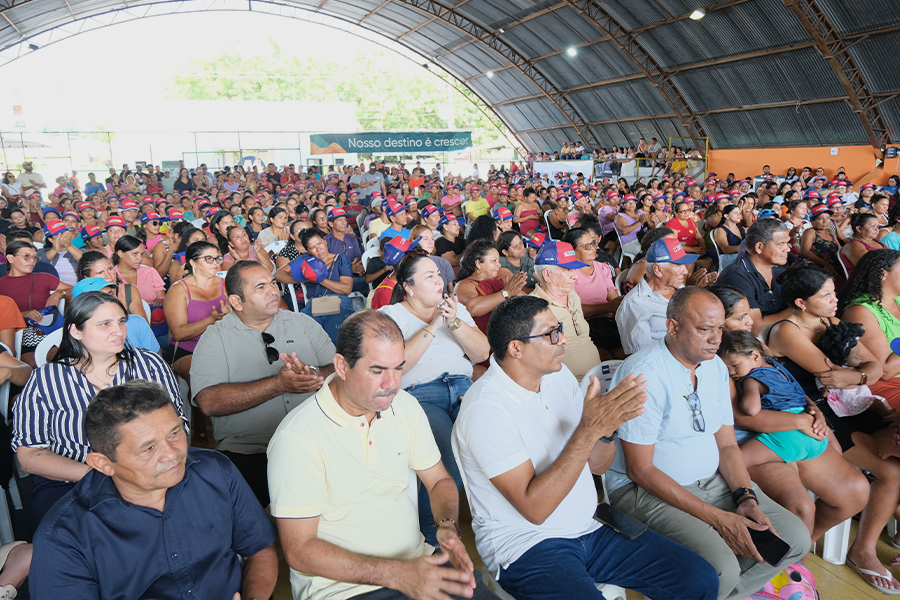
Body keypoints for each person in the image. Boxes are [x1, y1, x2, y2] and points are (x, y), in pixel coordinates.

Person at [454, 295, 719, 600]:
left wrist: (606, 430)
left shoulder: (558, 376)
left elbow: (597, 465)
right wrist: (589, 429)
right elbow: (535, 510)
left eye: (560, 328)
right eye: (551, 333)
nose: (563, 339)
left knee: (699, 579)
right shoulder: (486, 409)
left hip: (589, 526)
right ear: (516, 348)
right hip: (527, 544)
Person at [268, 311, 496, 600]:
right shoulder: (297, 437)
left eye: (399, 368)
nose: (392, 383)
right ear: (341, 366)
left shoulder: (405, 406)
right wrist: (399, 575)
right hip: (345, 589)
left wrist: (447, 526)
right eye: (377, 370)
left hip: (417, 564)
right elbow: (299, 551)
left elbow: (438, 480)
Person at [606, 287, 810, 600]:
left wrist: (746, 498)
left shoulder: (714, 366)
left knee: (795, 538)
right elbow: (640, 470)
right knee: (720, 569)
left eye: (719, 328)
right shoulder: (643, 375)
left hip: (710, 481)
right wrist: (719, 519)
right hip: (643, 491)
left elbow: (727, 445)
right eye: (704, 330)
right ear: (672, 327)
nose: (716, 339)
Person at [30, 380, 278, 600]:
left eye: (175, 433)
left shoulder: (215, 470)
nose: (172, 453)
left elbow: (258, 549)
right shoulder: (64, 537)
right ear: (103, 464)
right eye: (148, 448)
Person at [766, 263, 900, 592]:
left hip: (849, 401)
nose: (834, 299)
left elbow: (873, 367)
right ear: (800, 303)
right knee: (892, 471)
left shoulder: (830, 321)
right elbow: (830, 376)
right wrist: (858, 373)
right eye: (826, 295)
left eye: (833, 292)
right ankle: (862, 549)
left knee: (896, 451)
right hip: (819, 410)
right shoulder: (787, 331)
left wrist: (857, 374)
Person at [12, 291, 184, 534]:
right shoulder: (47, 379)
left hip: (151, 472)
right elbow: (29, 454)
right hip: (72, 481)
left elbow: (178, 423)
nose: (119, 331)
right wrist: (98, 474)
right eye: (105, 324)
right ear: (75, 331)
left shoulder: (148, 364)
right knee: (72, 539)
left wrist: (141, 469)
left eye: (121, 321)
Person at [191, 260, 335, 507]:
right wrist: (278, 385)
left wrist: (313, 373)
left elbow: (340, 370)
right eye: (260, 287)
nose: (273, 291)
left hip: (318, 440)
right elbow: (209, 401)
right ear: (236, 302)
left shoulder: (302, 323)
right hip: (250, 451)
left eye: (273, 283)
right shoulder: (215, 338)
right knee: (244, 524)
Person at [379, 253, 489, 545]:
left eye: (439, 275)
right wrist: (434, 326)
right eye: (429, 276)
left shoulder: (456, 310)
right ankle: (436, 542)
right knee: (445, 459)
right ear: (409, 286)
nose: (439, 280)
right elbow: (397, 366)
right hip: (421, 395)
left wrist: (454, 322)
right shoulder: (392, 316)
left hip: (465, 388)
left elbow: (481, 353)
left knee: (493, 442)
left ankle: (502, 526)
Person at [718, 329, 828, 467]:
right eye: (726, 369)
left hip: (789, 435)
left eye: (735, 365)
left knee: (734, 462)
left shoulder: (751, 380)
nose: (731, 372)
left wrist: (742, 390)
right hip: (817, 436)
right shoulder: (777, 366)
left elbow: (751, 409)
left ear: (755, 356)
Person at [528, 241, 601, 381]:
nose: (576, 276)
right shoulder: (535, 308)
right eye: (568, 270)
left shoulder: (573, 296)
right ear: (547, 275)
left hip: (595, 377)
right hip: (567, 385)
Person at [840, 249, 900, 409]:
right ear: (882, 274)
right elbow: (886, 371)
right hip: (887, 384)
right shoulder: (860, 311)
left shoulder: (898, 300)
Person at [616, 237, 695, 355]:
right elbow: (642, 356)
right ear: (658, 270)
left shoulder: (678, 287)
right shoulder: (635, 304)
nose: (685, 271)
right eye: (679, 265)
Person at [0, 240, 71, 367]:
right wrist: (23, 314)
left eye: (34, 257)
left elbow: (74, 290)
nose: (32, 261)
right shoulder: (1, 284)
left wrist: (59, 294)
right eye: (26, 256)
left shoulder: (43, 277)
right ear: (10, 258)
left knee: (62, 357)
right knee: (32, 362)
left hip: (46, 332)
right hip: (16, 338)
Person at [717, 219, 791, 335]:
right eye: (781, 244)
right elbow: (756, 328)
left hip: (783, 331)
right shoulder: (736, 276)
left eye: (787, 243)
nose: (787, 249)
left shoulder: (778, 268)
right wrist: (800, 308)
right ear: (759, 247)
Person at [565, 228, 622, 359]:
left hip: (608, 324)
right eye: (586, 246)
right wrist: (609, 307)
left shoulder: (603, 268)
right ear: (572, 251)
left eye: (593, 242)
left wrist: (620, 303)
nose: (593, 248)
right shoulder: (569, 273)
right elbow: (573, 310)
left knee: (627, 359)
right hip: (584, 327)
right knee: (606, 363)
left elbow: (613, 299)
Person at [294, 228, 356, 344]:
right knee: (301, 334)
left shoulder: (341, 259)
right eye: (313, 248)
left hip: (339, 301)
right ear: (308, 250)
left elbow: (347, 289)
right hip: (315, 303)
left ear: (325, 241)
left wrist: (318, 279)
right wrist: (305, 277)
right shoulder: (306, 262)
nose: (319, 249)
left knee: (338, 337)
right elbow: (279, 275)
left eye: (319, 243)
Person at [456, 240, 527, 336]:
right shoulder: (465, 284)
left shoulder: (499, 282)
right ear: (478, 263)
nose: (499, 265)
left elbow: (526, 300)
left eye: (498, 261)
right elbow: (472, 308)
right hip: (480, 341)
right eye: (494, 261)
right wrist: (507, 293)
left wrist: (515, 290)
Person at [799, 204, 841, 276]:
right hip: (819, 272)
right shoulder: (810, 232)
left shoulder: (829, 232)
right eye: (820, 219)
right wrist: (825, 264)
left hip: (836, 269)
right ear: (812, 220)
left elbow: (840, 250)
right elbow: (804, 252)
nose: (825, 221)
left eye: (828, 218)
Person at [713, 205, 745, 271]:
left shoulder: (741, 228)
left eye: (739, 213)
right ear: (726, 216)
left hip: (742, 258)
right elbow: (726, 250)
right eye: (736, 213)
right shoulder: (720, 230)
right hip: (728, 260)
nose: (739, 215)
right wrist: (746, 246)